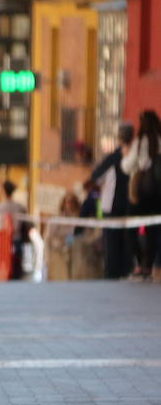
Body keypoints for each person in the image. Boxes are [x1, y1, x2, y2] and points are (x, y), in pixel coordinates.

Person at [88, 122, 134, 279]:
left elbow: (94, 178)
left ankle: (113, 274)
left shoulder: (112, 158)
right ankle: (125, 271)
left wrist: (96, 190)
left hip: (111, 206)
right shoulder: (134, 155)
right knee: (127, 242)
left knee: (112, 244)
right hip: (131, 206)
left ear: (119, 137)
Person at [123, 109, 161, 282]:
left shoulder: (140, 143)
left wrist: (126, 155)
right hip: (157, 193)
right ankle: (150, 265)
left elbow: (126, 166)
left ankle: (138, 263)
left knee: (131, 228)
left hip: (139, 193)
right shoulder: (160, 141)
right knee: (154, 230)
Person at [0, 181, 29, 280]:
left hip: (4, 241)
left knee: (5, 267)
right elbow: (27, 224)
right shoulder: (20, 207)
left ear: (3, 191)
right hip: (17, 239)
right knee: (17, 267)